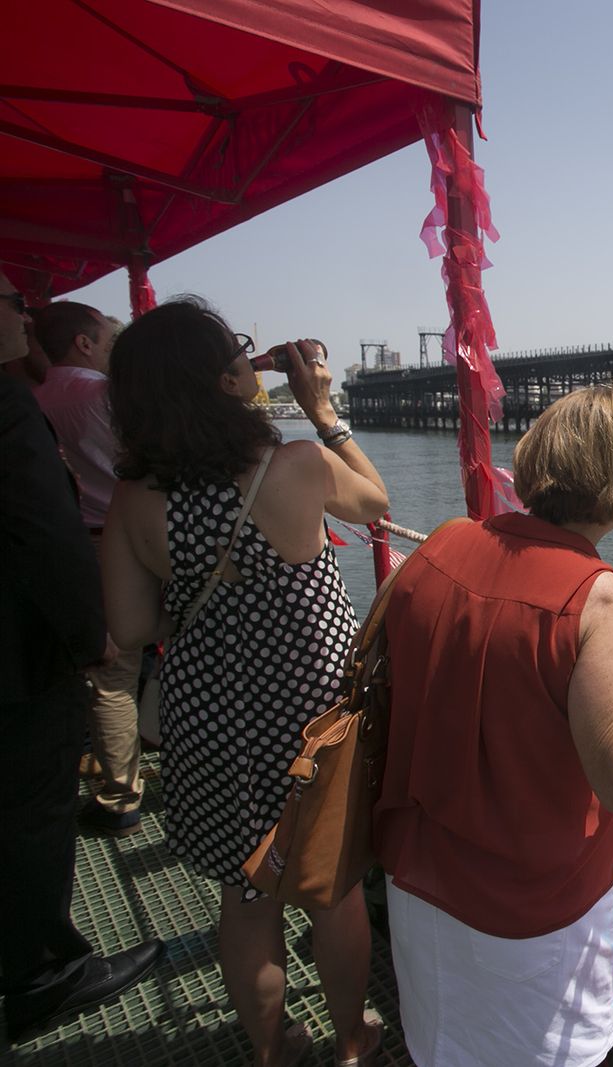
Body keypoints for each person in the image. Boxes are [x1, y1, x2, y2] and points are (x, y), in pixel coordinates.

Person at [373, 384, 613, 1067]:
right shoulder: (595, 595)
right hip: (529, 913)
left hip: (418, 875)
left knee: (438, 1048)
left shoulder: (444, 542)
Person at [101, 298, 389, 1067]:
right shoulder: (290, 464)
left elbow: (129, 629)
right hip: (309, 720)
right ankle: (352, 1038)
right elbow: (375, 500)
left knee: (246, 894)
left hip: (209, 720)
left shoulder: (134, 499)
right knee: (330, 888)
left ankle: (273, 1045)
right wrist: (322, 410)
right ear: (228, 378)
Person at [0, 275, 164, 1041]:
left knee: (113, 686)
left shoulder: (37, 396)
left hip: (87, 554)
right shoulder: (38, 402)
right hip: (68, 596)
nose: (21, 320)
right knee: (37, 797)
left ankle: (119, 784)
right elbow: (42, 526)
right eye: (12, 306)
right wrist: (83, 631)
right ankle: (45, 968)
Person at [32, 302, 145, 838]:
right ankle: (123, 793)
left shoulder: (33, 395)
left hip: (84, 540)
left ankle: (117, 789)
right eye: (103, 338)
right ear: (82, 342)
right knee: (127, 669)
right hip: (135, 534)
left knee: (109, 668)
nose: (107, 347)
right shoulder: (104, 394)